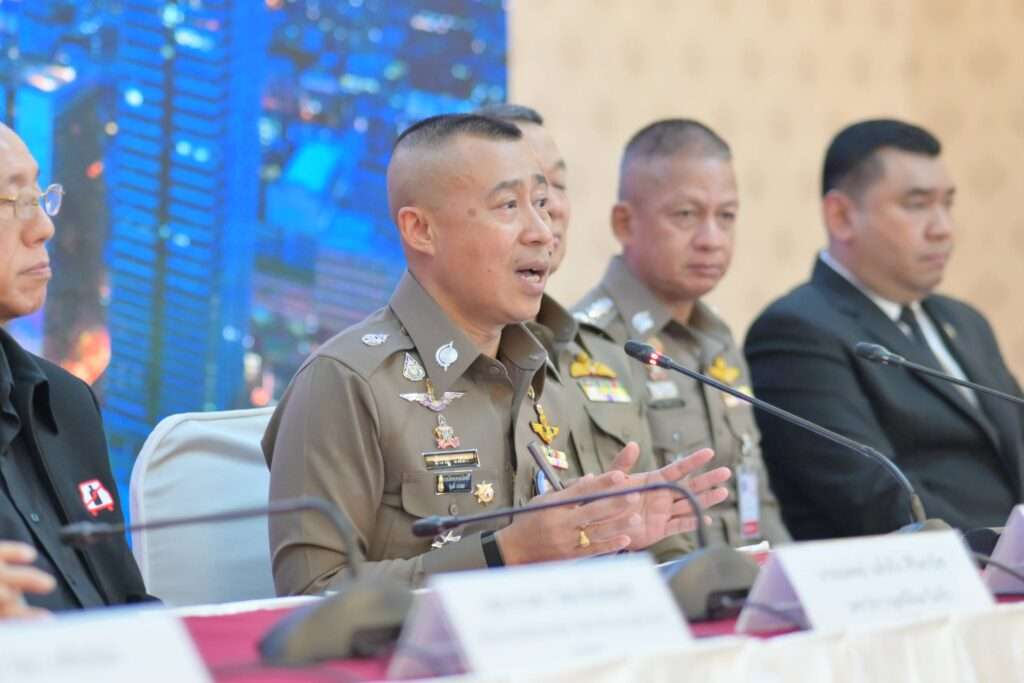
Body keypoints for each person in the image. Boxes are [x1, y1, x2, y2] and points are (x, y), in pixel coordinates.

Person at [263, 114, 730, 594]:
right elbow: (309, 595)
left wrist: (621, 543)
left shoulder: (550, 374)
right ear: (421, 230)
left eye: (542, 203)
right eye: (508, 205)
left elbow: (571, 563)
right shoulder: (345, 381)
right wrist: (502, 553)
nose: (543, 232)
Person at [745, 118, 1024, 539]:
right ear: (841, 216)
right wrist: (1006, 549)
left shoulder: (965, 322)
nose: (943, 228)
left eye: (947, 204)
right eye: (917, 205)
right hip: (931, 568)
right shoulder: (795, 332)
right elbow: (875, 498)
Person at [479, 103, 692, 560]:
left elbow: (658, 541)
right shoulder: (375, 374)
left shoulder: (608, 356)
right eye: (519, 196)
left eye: (555, 187)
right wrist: (504, 554)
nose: (551, 209)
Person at [574, 119, 789, 548]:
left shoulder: (717, 337)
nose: (712, 239)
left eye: (726, 216)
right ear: (624, 223)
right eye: (686, 215)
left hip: (749, 576)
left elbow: (757, 495)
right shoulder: (588, 345)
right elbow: (617, 525)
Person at [0, 122, 146, 616]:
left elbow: (128, 606)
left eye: (39, 197)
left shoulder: (67, 402)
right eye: (12, 201)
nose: (43, 227)